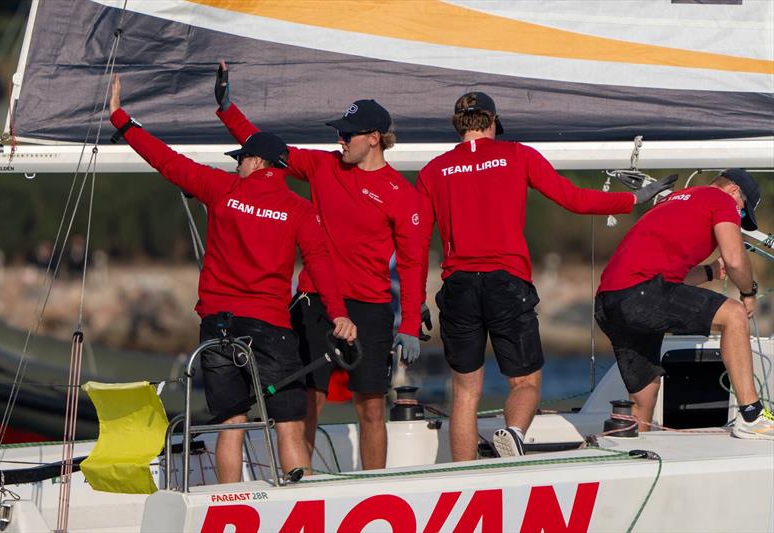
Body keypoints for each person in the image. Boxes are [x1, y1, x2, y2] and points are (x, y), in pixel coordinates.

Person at [108, 75, 357, 483]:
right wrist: (339, 314)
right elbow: (321, 263)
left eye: (241, 158)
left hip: (217, 328)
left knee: (231, 424)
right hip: (269, 328)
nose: (236, 163)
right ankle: (300, 508)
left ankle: (231, 507)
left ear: (258, 162)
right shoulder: (299, 210)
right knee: (289, 423)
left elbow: (166, 160)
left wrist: (122, 119)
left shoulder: (222, 189)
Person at [416, 92, 676, 460]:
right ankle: (514, 432)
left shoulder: (432, 171)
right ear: (493, 122)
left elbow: (413, 243)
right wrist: (632, 201)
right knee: (525, 382)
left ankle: (464, 476)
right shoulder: (517, 155)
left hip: (458, 285)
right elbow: (573, 199)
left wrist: (413, 305)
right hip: (506, 282)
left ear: (458, 125)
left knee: (465, 391)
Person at [214, 61, 427, 470]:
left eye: (347, 135)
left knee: (370, 408)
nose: (340, 140)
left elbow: (414, 264)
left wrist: (409, 325)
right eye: (338, 134)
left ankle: (374, 487)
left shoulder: (402, 192)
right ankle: (304, 485)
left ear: (374, 139)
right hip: (316, 301)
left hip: (369, 307)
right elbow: (267, 149)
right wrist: (227, 109)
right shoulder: (323, 166)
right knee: (308, 401)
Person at [596, 168, 773, 439]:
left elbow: (671, 280)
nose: (738, 216)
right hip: (642, 293)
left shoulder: (676, 199)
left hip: (610, 300)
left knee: (645, 392)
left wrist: (712, 271)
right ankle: (751, 416)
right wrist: (748, 292)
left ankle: (630, 450)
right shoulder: (721, 199)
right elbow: (736, 259)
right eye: (741, 211)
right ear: (734, 192)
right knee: (734, 314)